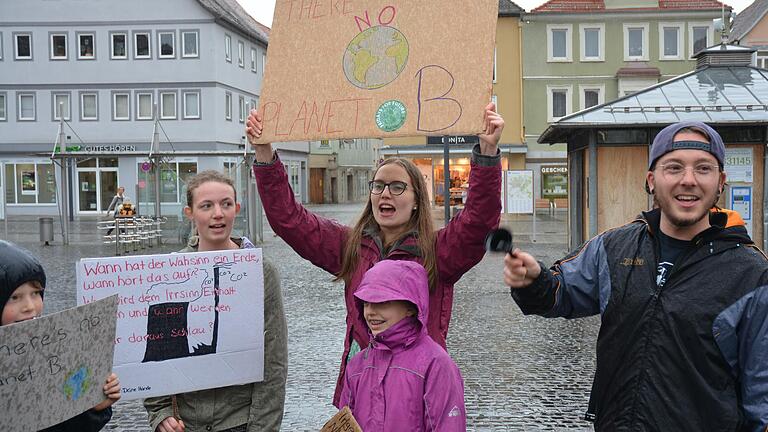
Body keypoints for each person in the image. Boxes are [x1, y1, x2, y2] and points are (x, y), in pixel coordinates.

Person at [503, 121, 768, 431]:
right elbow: (559, 294)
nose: (688, 180)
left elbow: (761, 392)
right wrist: (534, 281)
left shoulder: (751, 273)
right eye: (674, 168)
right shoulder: (614, 247)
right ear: (651, 180)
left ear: (721, 182)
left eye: (703, 169)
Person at [246, 102, 503, 405]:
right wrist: (264, 153)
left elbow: (478, 223)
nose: (385, 193)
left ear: (417, 200)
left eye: (397, 187)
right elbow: (290, 220)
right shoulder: (350, 246)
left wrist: (486, 155)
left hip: (415, 391)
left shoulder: (438, 252)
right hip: (361, 389)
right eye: (378, 186)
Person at [143, 170, 287, 432]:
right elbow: (156, 352)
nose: (217, 213)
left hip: (240, 421)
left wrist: (262, 429)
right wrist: (161, 411)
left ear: (237, 209)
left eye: (226, 204)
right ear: (190, 213)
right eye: (206, 206)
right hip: (183, 423)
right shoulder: (171, 271)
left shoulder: (261, 272)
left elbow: (274, 360)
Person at [0, 240, 120, 432]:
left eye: (36, 293)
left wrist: (92, 408)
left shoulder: (48, 354)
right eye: (15, 297)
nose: (30, 306)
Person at [339, 259, 466, 431]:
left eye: (381, 302)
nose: (371, 312)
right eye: (366, 303)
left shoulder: (437, 364)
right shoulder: (356, 366)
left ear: (411, 307)